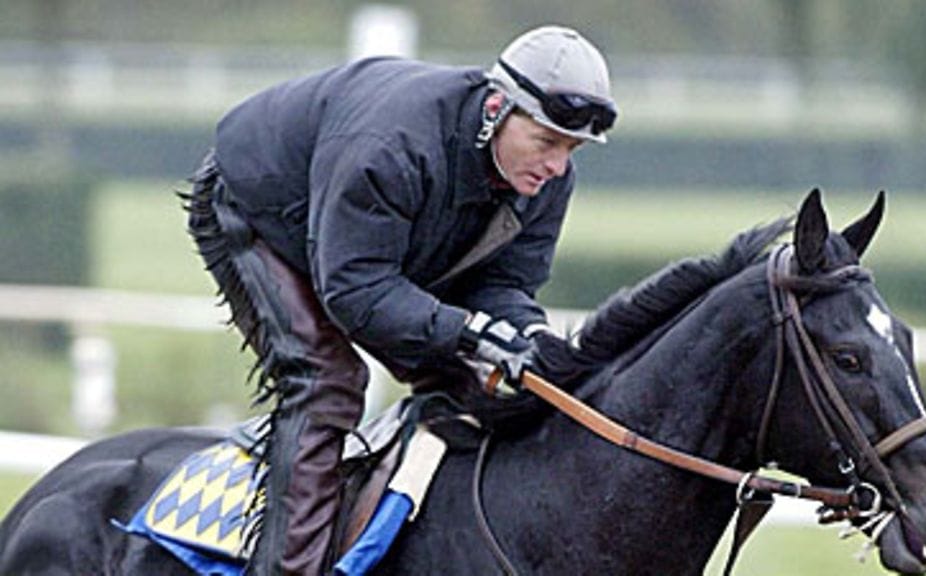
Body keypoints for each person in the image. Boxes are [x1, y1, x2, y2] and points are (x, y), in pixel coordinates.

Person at [184, 25, 616, 575]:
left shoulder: (547, 181)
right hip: (258, 208)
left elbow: (504, 287)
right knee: (327, 384)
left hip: (372, 239)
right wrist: (468, 331)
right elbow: (354, 291)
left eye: (572, 148)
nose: (557, 165)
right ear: (496, 108)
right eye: (546, 141)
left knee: (482, 386)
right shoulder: (393, 148)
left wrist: (525, 338)